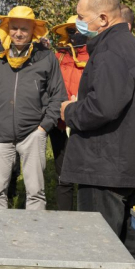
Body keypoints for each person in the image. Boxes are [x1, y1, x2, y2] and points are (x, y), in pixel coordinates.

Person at [60, 0, 135, 259]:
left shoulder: (111, 52)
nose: (78, 23)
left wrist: (69, 111)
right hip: (129, 164)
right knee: (127, 252)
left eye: (82, 16)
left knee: (99, 252)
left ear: (102, 19)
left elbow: (101, 108)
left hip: (105, 168)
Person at [0, 6, 66, 210]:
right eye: (14, 28)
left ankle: (34, 238)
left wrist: (44, 128)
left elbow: (57, 95)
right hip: (0, 134)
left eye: (24, 29)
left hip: (33, 133)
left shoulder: (45, 57)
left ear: (33, 30)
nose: (18, 33)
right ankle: (0, 237)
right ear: (7, 28)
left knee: (35, 193)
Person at [46, 15, 90, 211]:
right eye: (72, 31)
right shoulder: (59, 56)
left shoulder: (97, 55)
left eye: (80, 30)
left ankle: (87, 218)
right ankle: (65, 218)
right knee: (63, 174)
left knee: (87, 175)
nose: (76, 35)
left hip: (86, 124)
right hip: (60, 123)